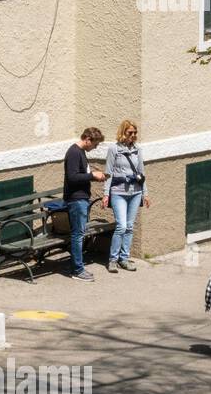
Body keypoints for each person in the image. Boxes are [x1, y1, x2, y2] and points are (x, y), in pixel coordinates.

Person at [103, 119, 150, 273]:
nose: (133, 135)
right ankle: (113, 260)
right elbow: (108, 173)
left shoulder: (138, 149)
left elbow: (141, 173)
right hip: (119, 192)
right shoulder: (114, 149)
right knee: (121, 226)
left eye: (135, 132)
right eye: (130, 132)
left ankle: (124, 258)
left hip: (135, 192)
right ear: (123, 132)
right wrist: (106, 194)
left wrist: (145, 193)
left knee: (129, 227)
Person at [63, 127, 107, 282]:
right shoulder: (74, 152)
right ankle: (77, 270)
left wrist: (93, 174)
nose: (95, 147)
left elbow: (78, 174)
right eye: (95, 144)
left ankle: (77, 266)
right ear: (87, 139)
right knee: (77, 235)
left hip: (81, 198)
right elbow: (72, 177)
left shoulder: (80, 152)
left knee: (78, 234)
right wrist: (92, 176)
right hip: (76, 199)